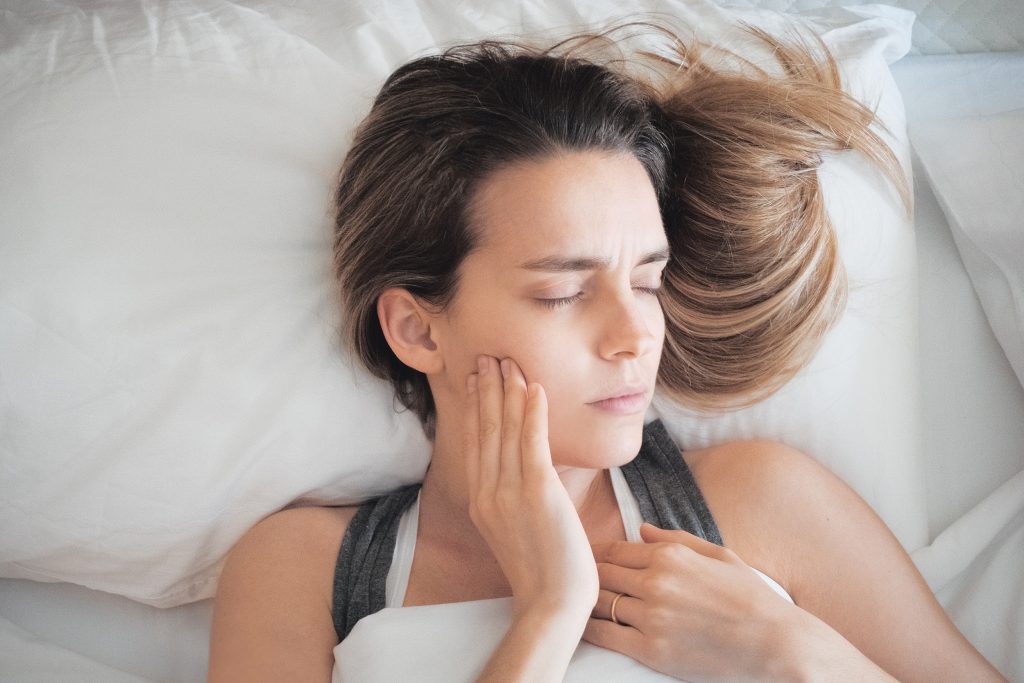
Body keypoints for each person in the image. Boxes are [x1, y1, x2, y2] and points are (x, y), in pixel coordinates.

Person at [207, 21, 1007, 682]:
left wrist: (795, 651)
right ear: (418, 329)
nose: (635, 336)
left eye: (648, 281)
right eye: (563, 292)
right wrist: (550, 607)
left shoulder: (761, 504)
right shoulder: (306, 570)